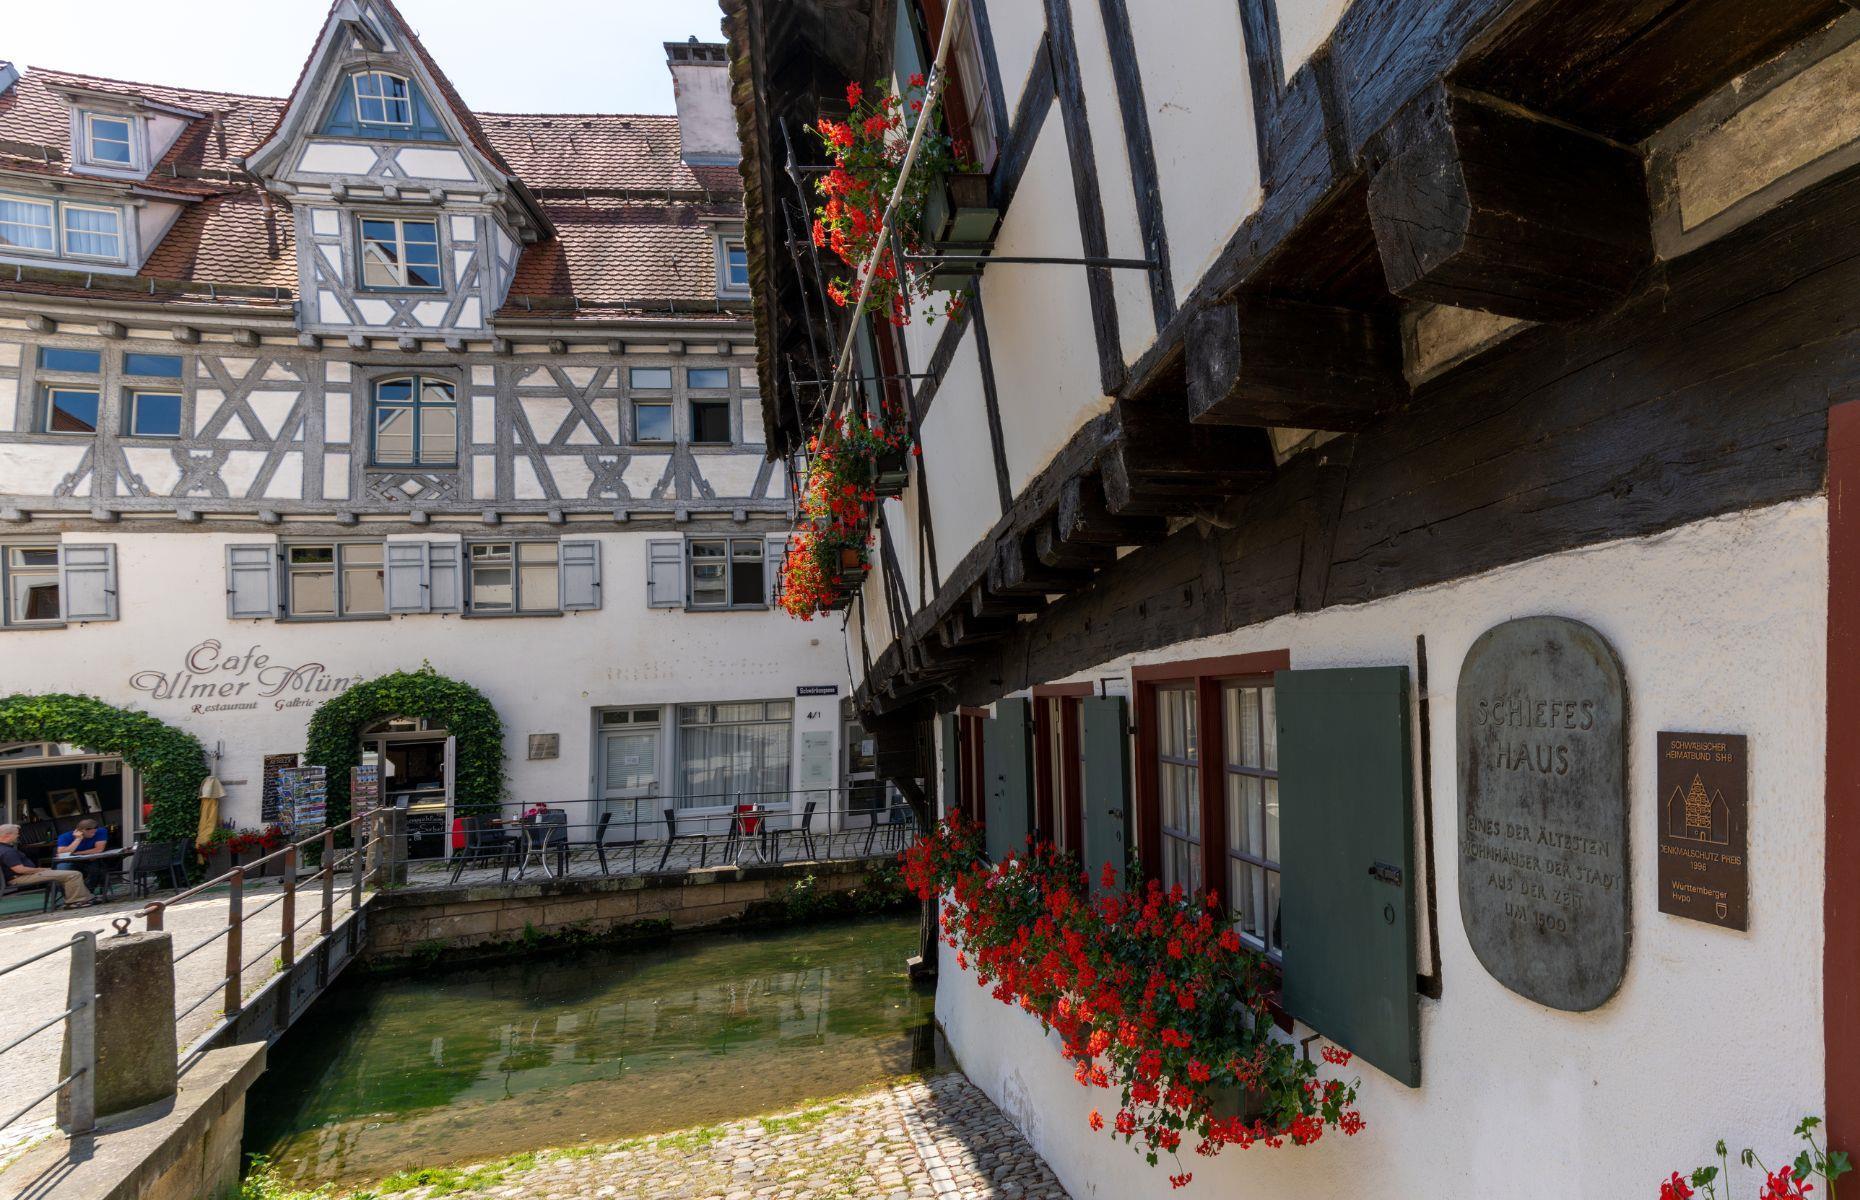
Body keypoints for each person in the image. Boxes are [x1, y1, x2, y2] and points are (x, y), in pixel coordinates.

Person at [0, 823, 94, 907]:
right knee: (73, 875)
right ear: (8, 835)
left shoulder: (3, 848)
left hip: (22, 875)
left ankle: (87, 898)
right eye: (16, 833)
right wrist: (41, 869)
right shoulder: (7, 851)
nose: (18, 835)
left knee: (66, 873)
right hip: (20, 877)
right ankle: (74, 902)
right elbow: (20, 870)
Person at [55, 819, 110, 893]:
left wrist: (76, 853)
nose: (93, 834)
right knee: (62, 868)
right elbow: (62, 854)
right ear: (80, 831)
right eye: (91, 832)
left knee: (96, 868)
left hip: (91, 860)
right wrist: (78, 839)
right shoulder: (65, 836)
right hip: (72, 861)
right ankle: (68, 895)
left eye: (94, 832)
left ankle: (87, 893)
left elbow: (99, 849)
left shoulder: (100, 831)